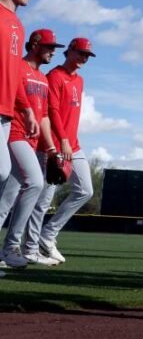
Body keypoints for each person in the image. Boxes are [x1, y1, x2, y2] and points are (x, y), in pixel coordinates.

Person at [27, 38, 97, 264]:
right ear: (69, 51)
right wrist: (62, 140)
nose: (83, 58)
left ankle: (48, 235)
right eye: (80, 53)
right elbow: (52, 111)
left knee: (85, 190)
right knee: (44, 199)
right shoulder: (54, 77)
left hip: (73, 145)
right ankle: (32, 246)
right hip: (54, 145)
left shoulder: (80, 80)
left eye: (87, 55)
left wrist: (69, 140)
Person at [0, 29, 64, 269]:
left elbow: (45, 116)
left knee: (6, 199)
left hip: (34, 143)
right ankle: (11, 246)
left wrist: (51, 148)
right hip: (15, 134)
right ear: (34, 45)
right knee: (36, 183)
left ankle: (6, 250)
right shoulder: (18, 66)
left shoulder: (44, 78)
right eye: (49, 47)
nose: (52, 52)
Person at [0, 0, 42, 213]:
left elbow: (14, 73)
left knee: (4, 172)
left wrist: (26, 109)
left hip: (6, 113)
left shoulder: (17, 23)